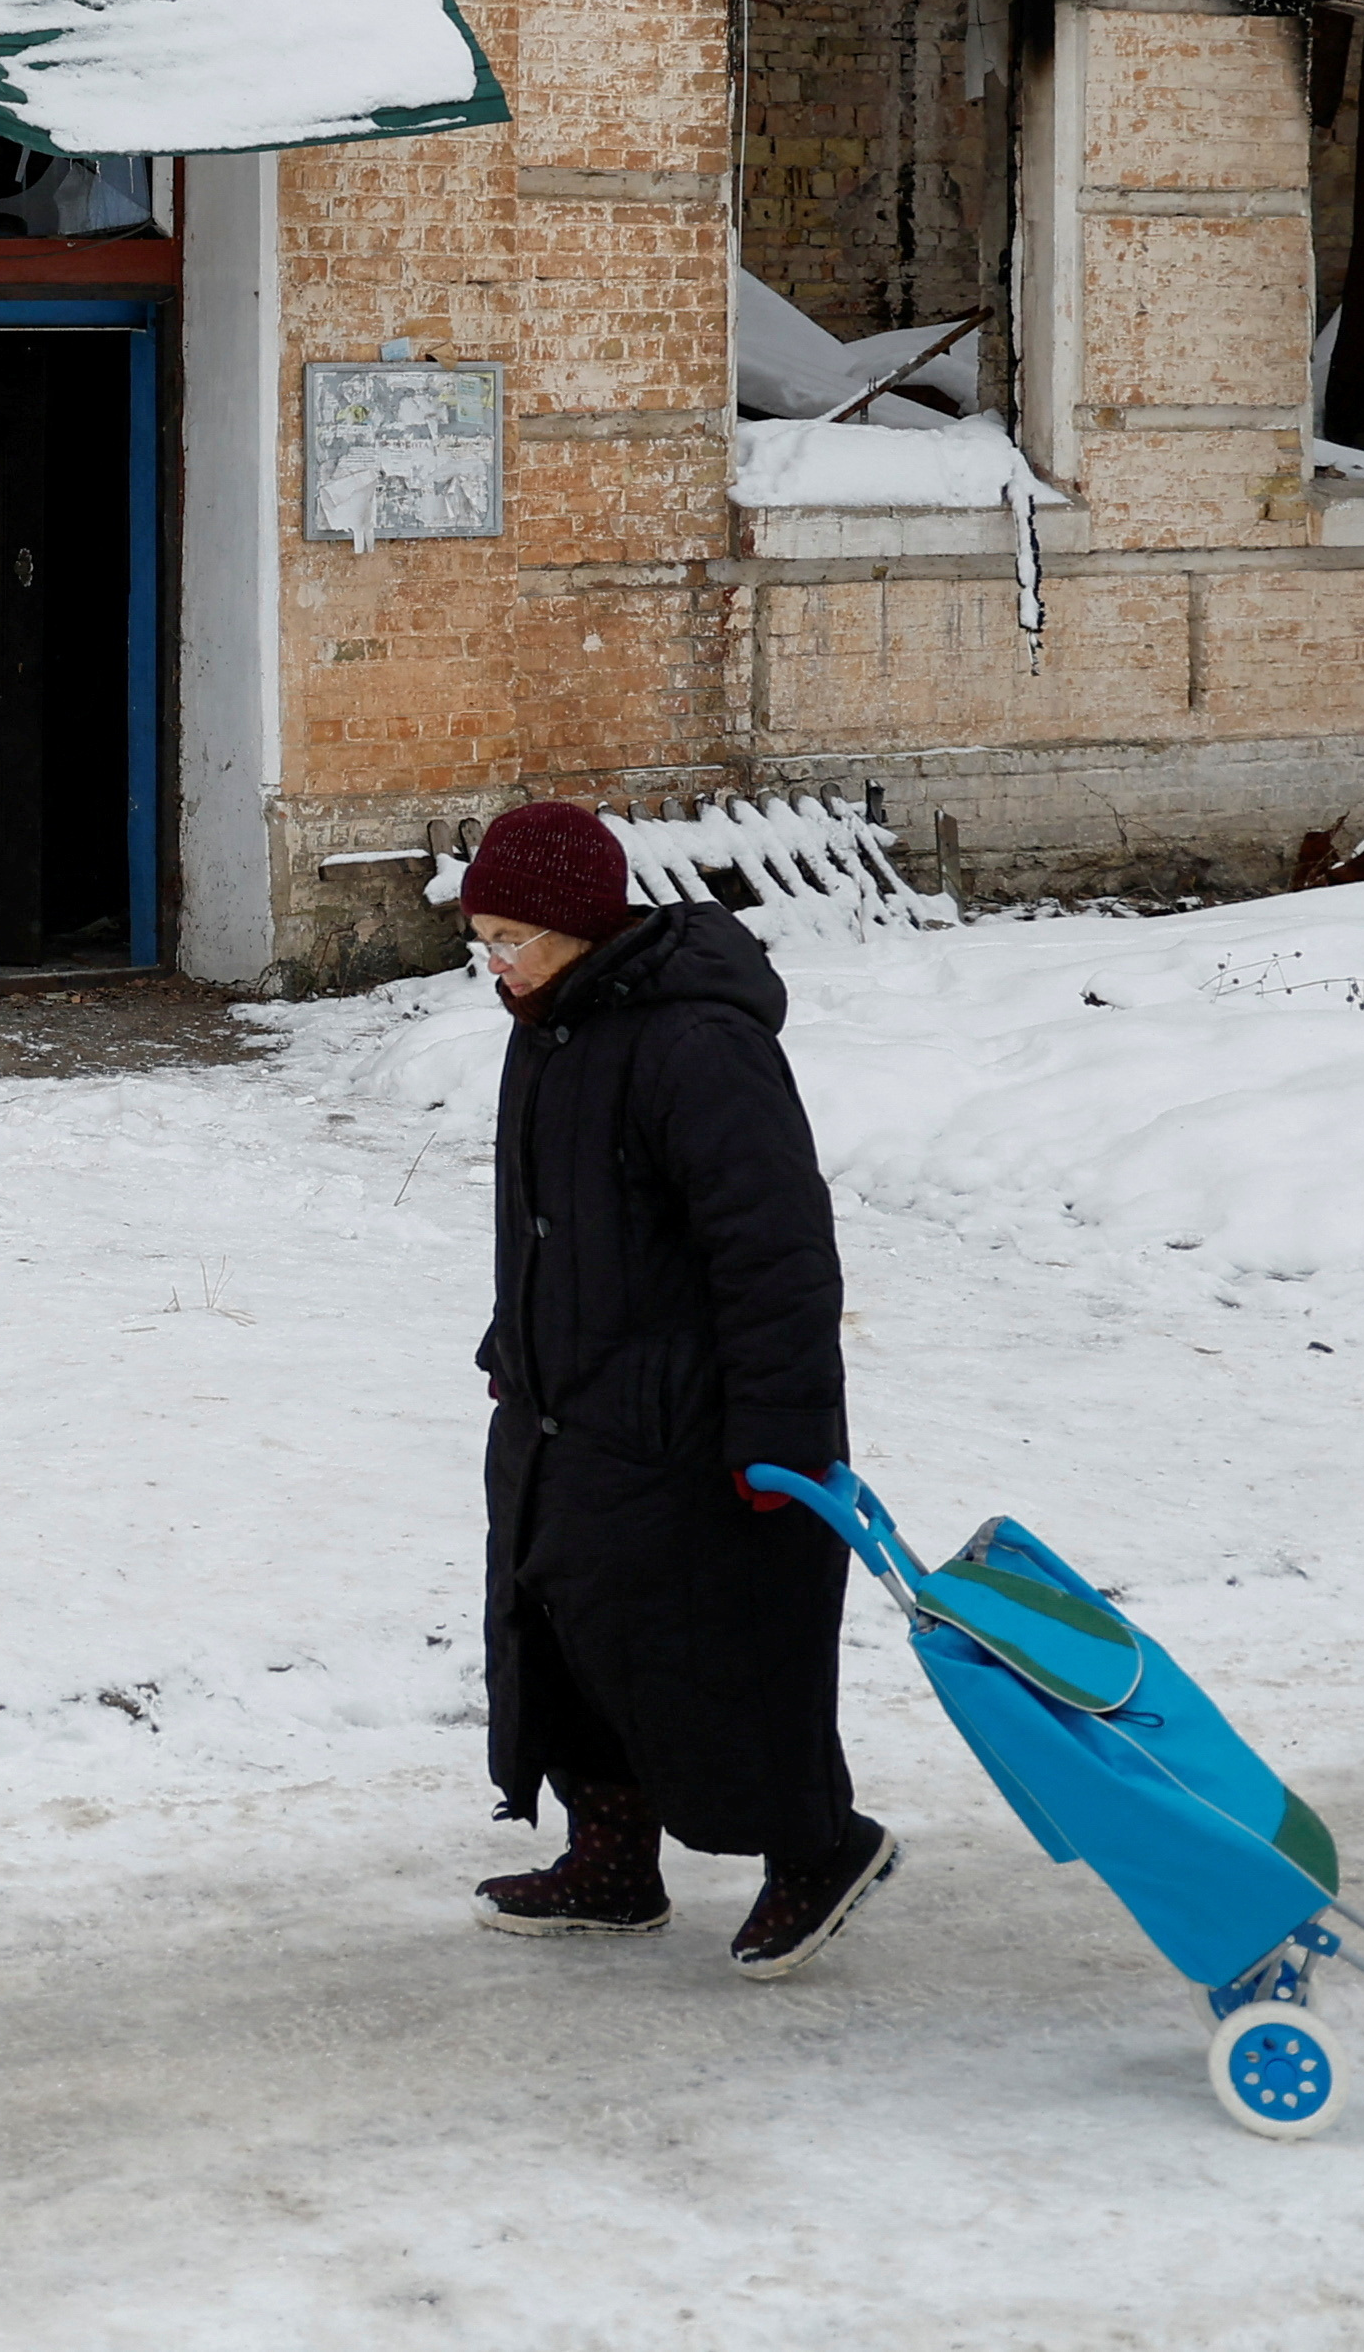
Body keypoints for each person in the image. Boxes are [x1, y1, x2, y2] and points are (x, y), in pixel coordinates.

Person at [450, 798, 899, 1977]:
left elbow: (777, 1249)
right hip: (574, 1407)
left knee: (715, 1654)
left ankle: (818, 1846)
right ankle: (614, 1858)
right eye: (482, 938)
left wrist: (783, 1436)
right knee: (568, 1631)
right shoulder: (548, 1028)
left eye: (511, 937)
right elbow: (556, 1225)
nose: (494, 964)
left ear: (580, 924)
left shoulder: (699, 1043)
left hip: (697, 1425)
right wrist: (518, 1346)